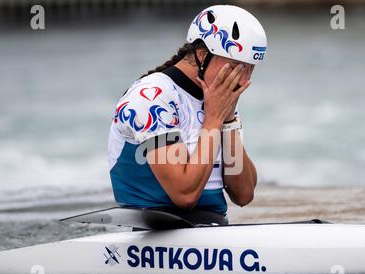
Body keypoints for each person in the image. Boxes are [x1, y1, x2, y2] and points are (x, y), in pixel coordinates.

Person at [108, 5, 267, 226]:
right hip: (152, 229)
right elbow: (184, 195)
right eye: (236, 67)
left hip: (208, 227)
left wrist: (228, 121)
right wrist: (212, 120)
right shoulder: (152, 97)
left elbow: (244, 195)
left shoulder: (217, 99)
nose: (243, 80)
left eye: (250, 69)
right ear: (202, 55)